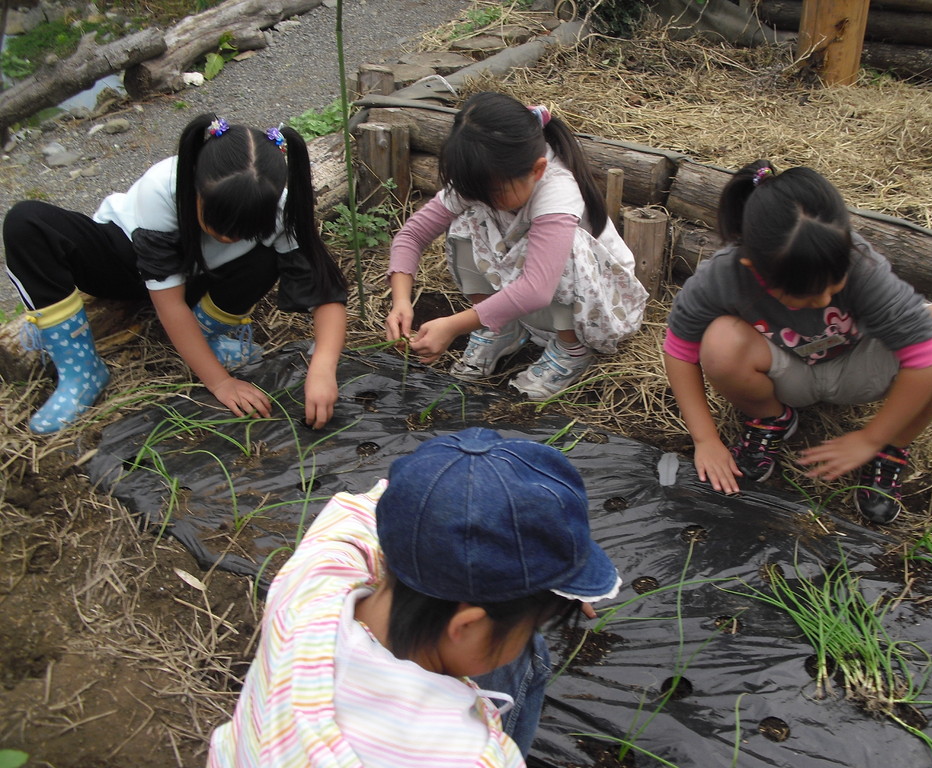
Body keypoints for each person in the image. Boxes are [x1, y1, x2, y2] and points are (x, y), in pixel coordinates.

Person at [207, 427, 621, 767]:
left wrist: (456, 490)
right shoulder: (473, 757)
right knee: (532, 654)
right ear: (467, 624)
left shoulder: (311, 585)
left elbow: (366, 507)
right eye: (530, 621)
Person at [663, 160, 932, 524]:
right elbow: (679, 349)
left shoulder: (860, 263)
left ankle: (893, 448)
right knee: (719, 340)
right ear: (754, 268)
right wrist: (705, 440)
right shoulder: (723, 274)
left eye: (836, 283)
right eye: (806, 295)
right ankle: (771, 418)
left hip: (862, 367)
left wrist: (874, 436)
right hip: (790, 373)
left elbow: (930, 356)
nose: (826, 300)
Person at [3, 113, 348, 434]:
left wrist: (322, 368)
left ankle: (205, 335)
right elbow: (169, 303)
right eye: (217, 224)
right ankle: (81, 371)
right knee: (27, 221)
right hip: (124, 262)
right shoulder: (163, 186)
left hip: (201, 277)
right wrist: (220, 383)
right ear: (195, 187)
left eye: (242, 231)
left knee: (269, 257)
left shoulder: (281, 206)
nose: (227, 238)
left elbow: (325, 291)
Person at [385, 91, 648, 401]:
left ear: (536, 171)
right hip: (531, 298)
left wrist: (455, 325)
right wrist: (401, 301)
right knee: (467, 221)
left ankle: (571, 349)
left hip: (597, 305)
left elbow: (537, 288)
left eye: (493, 194)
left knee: (567, 248)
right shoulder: (486, 180)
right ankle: (500, 328)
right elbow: (412, 236)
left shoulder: (557, 188)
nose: (485, 199)